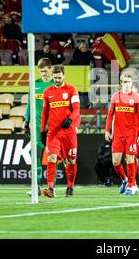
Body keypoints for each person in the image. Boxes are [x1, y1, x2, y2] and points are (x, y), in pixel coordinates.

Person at [40, 65, 81, 197]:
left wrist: (70, 120)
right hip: (53, 132)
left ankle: (70, 187)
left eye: (59, 77)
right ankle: (51, 189)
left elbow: (76, 109)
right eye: (55, 77)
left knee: (70, 161)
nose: (57, 79)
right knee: (51, 158)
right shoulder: (47, 92)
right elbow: (45, 112)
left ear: (64, 75)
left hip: (68, 132)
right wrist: (42, 130)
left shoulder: (71, 89)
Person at [105, 74, 139, 195]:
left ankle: (132, 186)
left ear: (132, 83)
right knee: (116, 162)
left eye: (129, 82)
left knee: (130, 158)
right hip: (118, 134)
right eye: (125, 82)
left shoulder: (137, 97)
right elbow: (110, 114)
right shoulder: (116, 96)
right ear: (121, 83)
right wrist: (107, 130)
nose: (127, 84)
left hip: (131, 133)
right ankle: (126, 180)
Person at [24, 58, 54, 196]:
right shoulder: (35, 84)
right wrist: (26, 121)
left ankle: (52, 186)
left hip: (53, 126)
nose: (44, 74)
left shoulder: (56, 84)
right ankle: (37, 186)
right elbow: (30, 103)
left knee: (55, 156)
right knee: (35, 154)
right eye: (41, 72)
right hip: (37, 125)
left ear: (51, 69)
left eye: (46, 71)